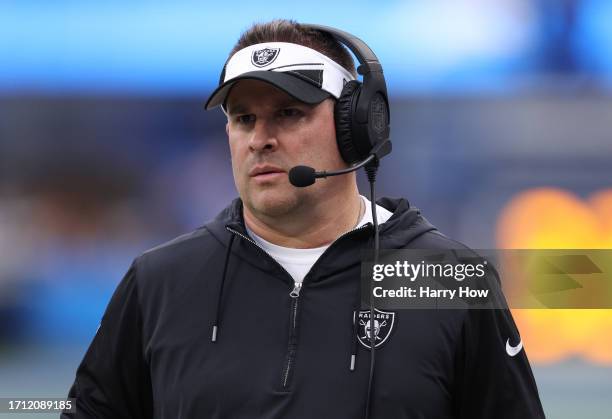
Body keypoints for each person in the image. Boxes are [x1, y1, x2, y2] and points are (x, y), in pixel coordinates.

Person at [62, 19, 546, 419]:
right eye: (243, 118)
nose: (260, 139)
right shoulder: (160, 282)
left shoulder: (447, 281)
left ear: (356, 127)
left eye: (289, 113)